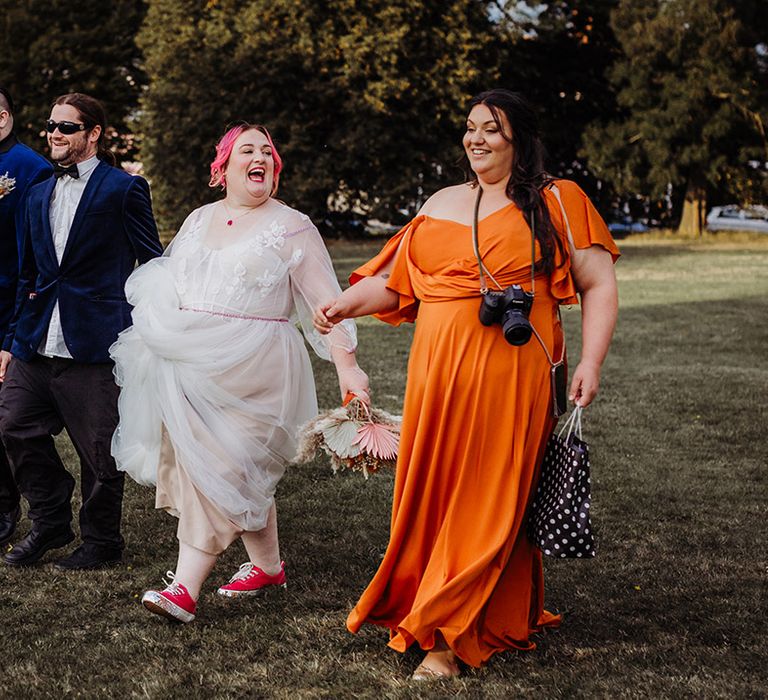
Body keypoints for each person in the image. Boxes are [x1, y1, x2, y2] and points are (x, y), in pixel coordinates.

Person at [314, 89, 619, 680]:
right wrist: (346, 304)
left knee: (488, 491)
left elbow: (598, 284)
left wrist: (592, 361)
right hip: (435, 375)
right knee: (435, 490)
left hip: (512, 372)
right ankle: (435, 600)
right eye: (470, 127)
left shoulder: (558, 201)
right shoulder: (442, 201)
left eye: (491, 129)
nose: (475, 139)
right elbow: (399, 285)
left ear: (518, 140)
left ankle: (449, 635)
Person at [109, 122, 369, 624]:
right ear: (222, 167)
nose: (261, 157)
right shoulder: (198, 219)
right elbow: (170, 281)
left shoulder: (292, 225)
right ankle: (267, 567)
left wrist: (348, 368)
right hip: (192, 366)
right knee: (227, 470)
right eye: (247, 150)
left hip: (260, 368)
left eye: (268, 151)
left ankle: (184, 588)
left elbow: (328, 305)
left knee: (226, 468)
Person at [0, 92, 162, 569]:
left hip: (96, 342)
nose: (54, 133)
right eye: (51, 125)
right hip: (35, 339)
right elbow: (30, 275)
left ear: (93, 134)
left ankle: (101, 542)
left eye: (66, 127)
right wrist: (11, 342)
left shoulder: (123, 189)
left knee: (100, 453)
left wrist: (146, 327)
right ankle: (50, 521)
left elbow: (152, 263)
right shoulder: (34, 194)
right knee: (13, 426)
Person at [0, 86, 53, 547]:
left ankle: (16, 506)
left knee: (10, 416)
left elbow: (33, 254)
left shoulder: (29, 168)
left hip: (9, 306)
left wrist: (16, 327)